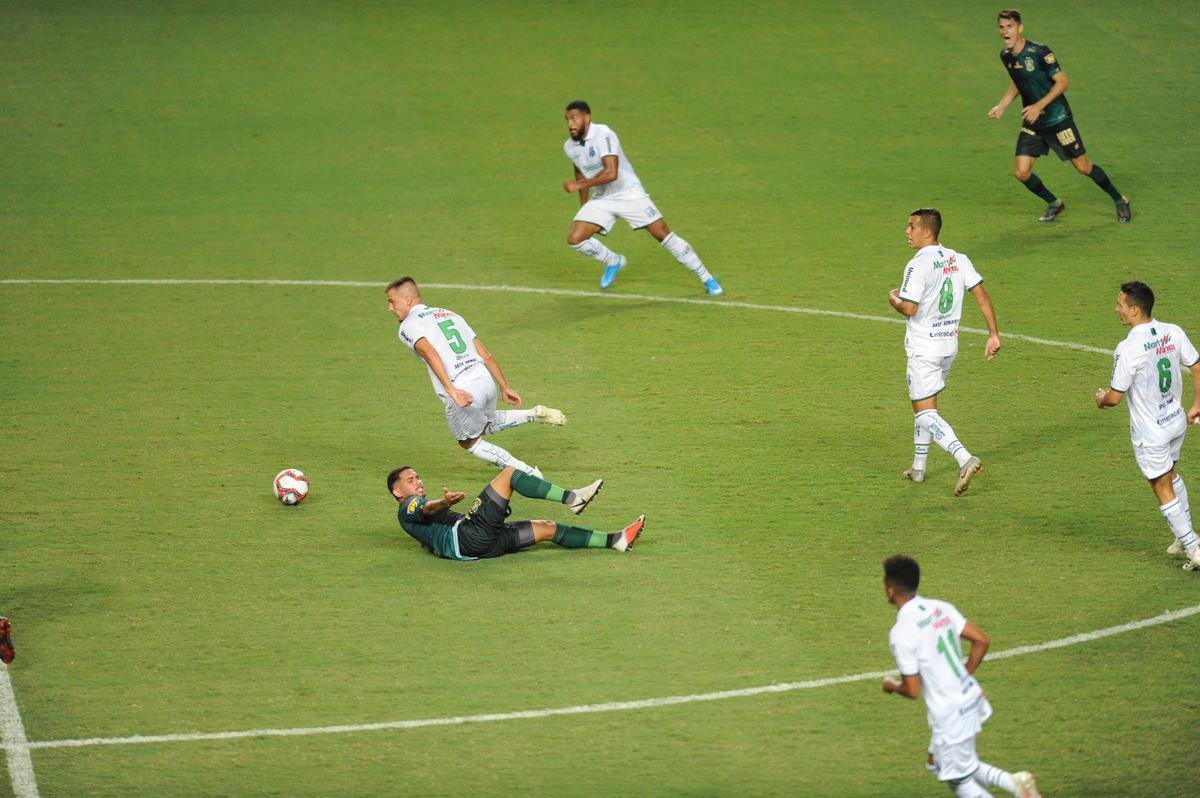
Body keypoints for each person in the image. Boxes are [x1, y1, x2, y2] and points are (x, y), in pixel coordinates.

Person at [881, 555, 1041, 798]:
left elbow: (912, 691)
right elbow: (981, 641)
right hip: (969, 697)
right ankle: (1015, 783)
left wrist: (892, 686)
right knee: (940, 764)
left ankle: (1014, 784)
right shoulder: (940, 607)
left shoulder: (901, 633)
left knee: (958, 780)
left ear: (891, 590)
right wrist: (963, 675)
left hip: (949, 712)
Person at [386, 277, 564, 476]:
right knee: (485, 425)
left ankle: (527, 472)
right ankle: (532, 414)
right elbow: (485, 354)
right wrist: (505, 387)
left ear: (408, 300)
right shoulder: (449, 314)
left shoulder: (408, 326)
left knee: (468, 442)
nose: (390, 308)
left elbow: (430, 353)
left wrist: (451, 390)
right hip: (485, 380)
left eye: (392, 302)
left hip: (463, 389)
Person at [888, 209, 1001, 495]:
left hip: (924, 348)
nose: (907, 231)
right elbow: (982, 296)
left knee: (924, 412)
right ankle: (918, 468)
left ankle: (964, 458)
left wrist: (894, 300)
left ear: (927, 232)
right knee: (927, 409)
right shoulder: (958, 258)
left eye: (911, 226)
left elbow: (909, 308)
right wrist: (993, 334)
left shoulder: (917, 265)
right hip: (948, 346)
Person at [562, 100, 724, 296]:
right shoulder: (569, 146)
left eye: (574, 118)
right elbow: (580, 172)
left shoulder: (604, 134)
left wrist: (578, 185)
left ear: (587, 118)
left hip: (629, 193)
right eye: (567, 120)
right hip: (603, 198)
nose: (570, 124)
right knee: (575, 239)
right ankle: (613, 261)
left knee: (663, 234)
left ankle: (706, 277)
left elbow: (611, 173)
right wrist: (584, 206)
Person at [1094, 281, 1200, 570]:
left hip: (1151, 431)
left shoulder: (1128, 348)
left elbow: (1115, 397)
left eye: (1120, 304)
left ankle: (1194, 548)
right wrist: (1197, 404)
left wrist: (1101, 399)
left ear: (1135, 310)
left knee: (1160, 486)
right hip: (1175, 421)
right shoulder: (1173, 331)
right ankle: (1184, 537)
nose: (1117, 309)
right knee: (1171, 475)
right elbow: (1197, 366)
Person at [987, 9, 1130, 223]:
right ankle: (1055, 204)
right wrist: (1002, 105)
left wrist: (1039, 105)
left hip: (1058, 119)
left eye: (1010, 27)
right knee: (1021, 172)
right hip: (1034, 124)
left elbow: (1063, 82)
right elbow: (1019, 81)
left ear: (1020, 28)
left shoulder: (1039, 52)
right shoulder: (1006, 56)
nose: (1005, 31)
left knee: (1083, 167)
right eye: (1001, 27)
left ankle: (1120, 200)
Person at [387, 465, 644, 560]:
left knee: (548, 528)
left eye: (418, 477)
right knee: (509, 474)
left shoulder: (412, 517)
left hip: (479, 547)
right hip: (467, 536)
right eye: (410, 480)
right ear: (398, 492)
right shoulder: (407, 506)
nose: (418, 482)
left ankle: (616, 540)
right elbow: (428, 508)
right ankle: (573, 498)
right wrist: (444, 504)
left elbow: (426, 526)